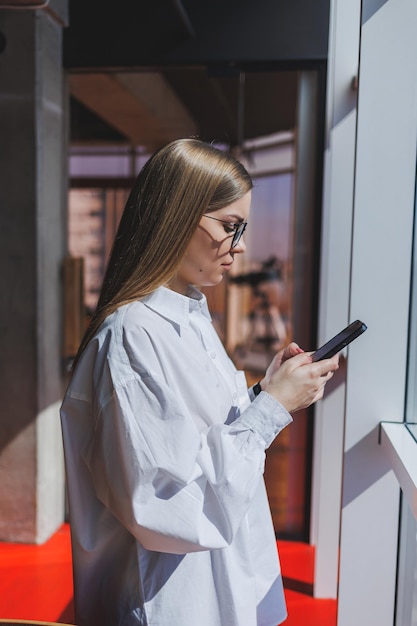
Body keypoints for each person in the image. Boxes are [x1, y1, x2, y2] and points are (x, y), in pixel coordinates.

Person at [60, 138, 339, 626]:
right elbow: (169, 506)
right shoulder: (131, 335)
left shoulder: (188, 316)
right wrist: (270, 409)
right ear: (176, 216)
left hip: (215, 590)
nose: (243, 244)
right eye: (231, 226)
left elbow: (196, 436)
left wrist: (265, 393)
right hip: (174, 603)